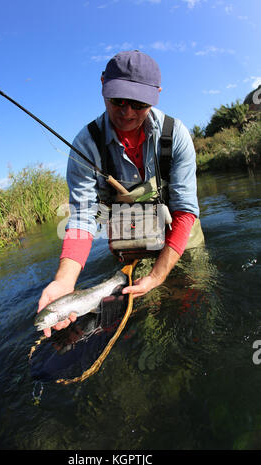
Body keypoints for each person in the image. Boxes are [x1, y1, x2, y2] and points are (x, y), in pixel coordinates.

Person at [37, 50, 201, 337]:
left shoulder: (176, 136)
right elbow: (82, 219)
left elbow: (185, 211)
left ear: (156, 95)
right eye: (118, 101)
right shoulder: (85, 146)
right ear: (102, 85)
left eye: (138, 103)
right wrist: (65, 282)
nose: (127, 112)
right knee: (142, 320)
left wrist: (158, 275)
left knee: (194, 297)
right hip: (130, 242)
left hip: (180, 235)